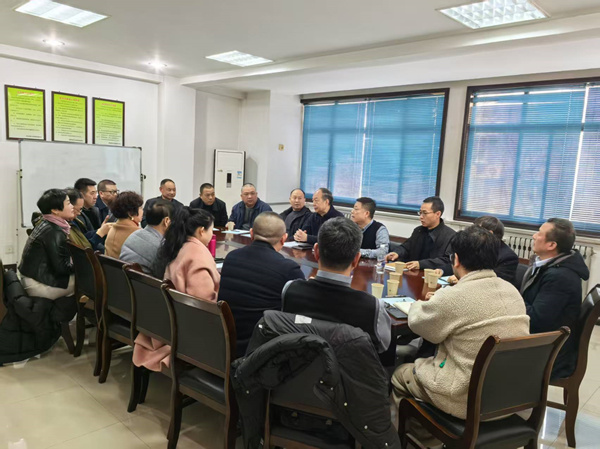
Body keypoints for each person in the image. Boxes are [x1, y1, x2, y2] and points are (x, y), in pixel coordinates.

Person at [391, 226, 530, 424]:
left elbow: (419, 324)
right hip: (510, 396)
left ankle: (420, 435)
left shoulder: (454, 296)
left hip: (465, 399)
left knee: (399, 374)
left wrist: (423, 303)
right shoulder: (512, 291)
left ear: (455, 259)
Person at [283, 217, 391, 353]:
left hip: (300, 363)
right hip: (351, 366)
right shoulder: (372, 307)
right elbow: (383, 346)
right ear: (356, 259)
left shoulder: (290, 291)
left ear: (316, 252)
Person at [133, 208, 219, 371]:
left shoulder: (176, 245)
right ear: (201, 231)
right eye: (211, 230)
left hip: (168, 317)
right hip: (188, 325)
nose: (211, 234)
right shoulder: (198, 254)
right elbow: (204, 303)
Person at [219, 212, 305, 357]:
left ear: (251, 234)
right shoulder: (288, 269)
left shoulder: (231, 257)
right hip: (261, 352)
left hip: (225, 343)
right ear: (283, 239)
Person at [521, 218, 590, 379]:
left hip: (550, 354)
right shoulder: (550, 265)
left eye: (539, 233)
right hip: (543, 342)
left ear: (551, 245)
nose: (534, 236)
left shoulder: (560, 277)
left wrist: (512, 299)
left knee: (485, 351)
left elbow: (537, 319)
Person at [18, 189, 75, 300]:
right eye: (68, 203)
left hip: (31, 277)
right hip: (38, 285)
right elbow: (62, 269)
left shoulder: (44, 222)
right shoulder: (55, 232)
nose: (72, 206)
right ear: (55, 210)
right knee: (89, 280)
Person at [385, 196, 455, 275]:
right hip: (413, 276)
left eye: (425, 213)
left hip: (433, 277)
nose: (421, 217)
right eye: (420, 212)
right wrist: (397, 253)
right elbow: (406, 247)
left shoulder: (451, 236)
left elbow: (447, 261)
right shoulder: (418, 231)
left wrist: (420, 264)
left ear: (438, 214)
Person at [120, 200, 172, 276]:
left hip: (126, 280)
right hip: (145, 283)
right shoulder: (161, 247)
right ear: (166, 221)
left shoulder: (134, 235)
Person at [104, 191, 144, 258]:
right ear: (130, 213)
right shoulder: (138, 235)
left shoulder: (112, 228)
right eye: (140, 208)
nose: (143, 211)